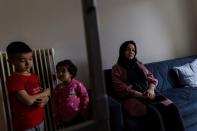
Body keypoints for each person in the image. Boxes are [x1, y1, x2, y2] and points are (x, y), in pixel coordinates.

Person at [112, 40, 185, 131]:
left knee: (172, 107)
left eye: (133, 50)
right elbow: (121, 88)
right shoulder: (116, 68)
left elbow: (151, 78)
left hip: (149, 93)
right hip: (133, 98)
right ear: (122, 51)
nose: (131, 52)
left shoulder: (139, 64)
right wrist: (142, 95)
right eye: (128, 49)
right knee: (154, 113)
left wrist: (151, 90)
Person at [6, 41, 50, 131]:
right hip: (26, 124)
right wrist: (46, 92)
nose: (28, 63)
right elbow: (28, 101)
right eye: (22, 60)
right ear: (10, 61)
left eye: (30, 59)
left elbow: (40, 94)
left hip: (39, 119)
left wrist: (46, 99)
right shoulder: (14, 79)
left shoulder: (34, 76)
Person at [52, 59, 89, 129]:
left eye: (63, 71)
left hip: (78, 116)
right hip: (64, 119)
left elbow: (85, 96)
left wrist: (84, 112)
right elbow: (54, 104)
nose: (60, 73)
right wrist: (57, 119)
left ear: (71, 73)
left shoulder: (77, 84)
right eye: (58, 71)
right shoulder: (57, 89)